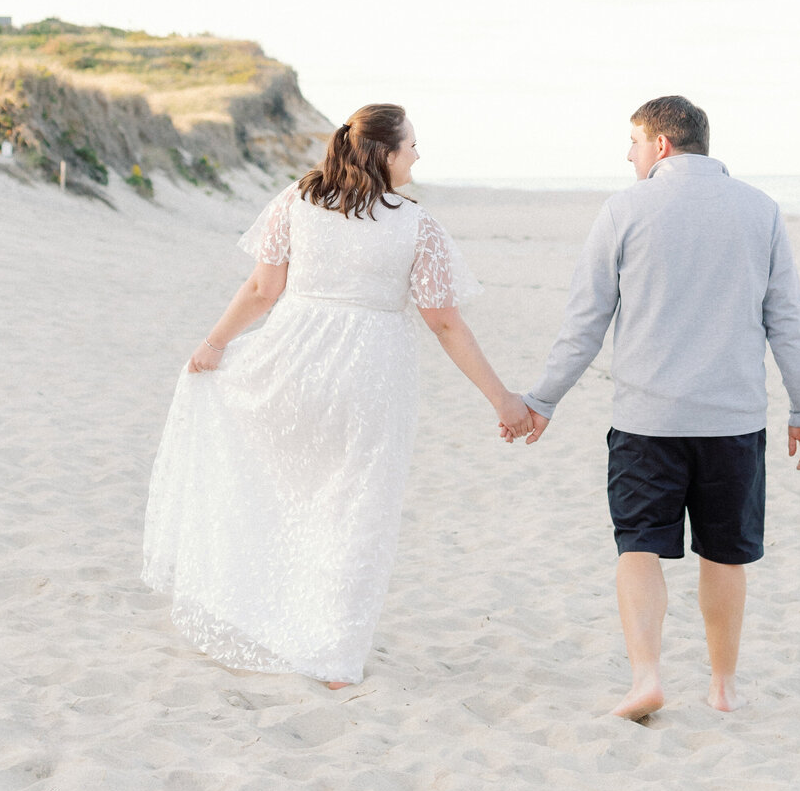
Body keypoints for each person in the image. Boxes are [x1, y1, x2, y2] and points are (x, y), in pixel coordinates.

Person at [143, 104, 532, 688]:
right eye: (412, 147)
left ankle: (269, 619)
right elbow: (445, 324)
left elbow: (260, 289)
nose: (418, 156)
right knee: (356, 512)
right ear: (384, 154)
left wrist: (214, 344)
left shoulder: (298, 201)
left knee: (287, 492)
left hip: (290, 363)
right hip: (369, 378)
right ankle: (333, 659)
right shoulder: (416, 225)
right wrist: (502, 399)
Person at [514, 95, 800, 720]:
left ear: (662, 145)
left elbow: (586, 322)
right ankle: (723, 687)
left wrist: (543, 399)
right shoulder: (760, 210)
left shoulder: (625, 209)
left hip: (645, 422)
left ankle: (646, 677)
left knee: (638, 548)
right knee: (725, 554)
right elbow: (785, 319)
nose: (629, 154)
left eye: (633, 141)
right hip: (733, 421)